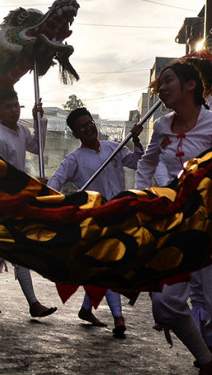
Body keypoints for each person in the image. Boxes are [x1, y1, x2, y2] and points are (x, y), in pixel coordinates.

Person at [135, 57, 212, 375]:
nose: (161, 88)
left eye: (168, 81)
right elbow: (146, 163)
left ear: (191, 85)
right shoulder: (161, 124)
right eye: (159, 84)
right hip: (174, 225)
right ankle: (206, 360)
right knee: (165, 304)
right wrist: (142, 196)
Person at [48, 106, 143, 335]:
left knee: (105, 269)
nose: (89, 128)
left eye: (90, 123)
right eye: (82, 127)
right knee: (109, 268)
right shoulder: (74, 160)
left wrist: (137, 140)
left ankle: (86, 308)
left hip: (119, 214)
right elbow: (54, 185)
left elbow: (138, 161)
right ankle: (118, 319)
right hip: (96, 221)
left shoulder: (114, 148)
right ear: (75, 134)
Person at [0, 87, 57, 319]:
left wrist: (39, 119)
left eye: (15, 106)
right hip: (5, 199)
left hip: (18, 198)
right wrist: (30, 183)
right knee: (18, 251)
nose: (13, 110)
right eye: (8, 107)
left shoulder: (21, 131)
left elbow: (38, 146)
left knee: (2, 252)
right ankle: (33, 303)